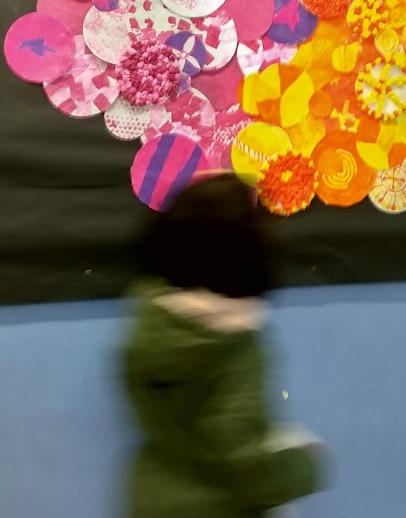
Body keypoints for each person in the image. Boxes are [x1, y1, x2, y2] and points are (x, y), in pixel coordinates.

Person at [122, 172, 327, 518]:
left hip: (151, 495)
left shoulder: (147, 320)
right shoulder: (235, 351)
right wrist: (306, 466)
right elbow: (249, 466)